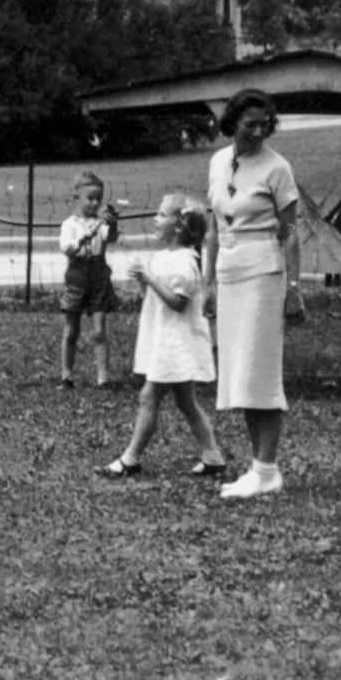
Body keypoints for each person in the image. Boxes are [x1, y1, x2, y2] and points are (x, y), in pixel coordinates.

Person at [207, 88, 305, 501]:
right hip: (229, 273)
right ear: (233, 123)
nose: (259, 132)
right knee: (240, 377)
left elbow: (291, 232)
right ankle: (258, 469)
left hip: (264, 273)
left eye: (265, 125)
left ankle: (268, 469)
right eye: (250, 124)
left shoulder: (278, 168)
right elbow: (214, 227)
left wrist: (293, 288)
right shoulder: (217, 162)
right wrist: (207, 283)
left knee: (260, 373)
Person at [102, 192, 223, 480]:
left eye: (162, 215)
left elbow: (178, 302)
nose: (156, 220)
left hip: (175, 344)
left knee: (149, 396)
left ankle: (131, 458)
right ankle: (212, 456)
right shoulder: (164, 258)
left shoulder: (185, 262)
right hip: (165, 339)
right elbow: (156, 297)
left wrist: (149, 278)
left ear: (179, 226)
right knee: (186, 402)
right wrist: (144, 281)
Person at [54, 171, 122, 387]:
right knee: (71, 330)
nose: (94, 203)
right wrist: (84, 237)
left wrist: (112, 223)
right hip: (76, 278)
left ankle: (103, 377)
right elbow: (67, 248)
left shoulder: (100, 223)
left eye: (98, 199)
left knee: (100, 330)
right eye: (90, 198)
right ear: (76, 197)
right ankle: (66, 374)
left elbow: (111, 237)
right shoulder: (69, 224)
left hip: (98, 277)